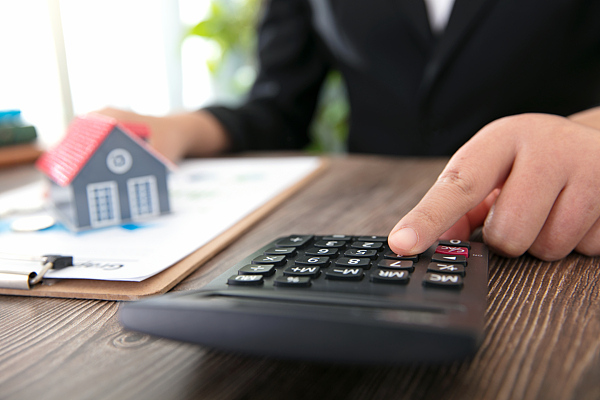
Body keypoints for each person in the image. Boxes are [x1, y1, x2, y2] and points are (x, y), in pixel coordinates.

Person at [98, 0, 600, 261]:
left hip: (559, 227)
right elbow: (279, 106)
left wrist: (588, 131)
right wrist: (179, 129)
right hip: (366, 214)